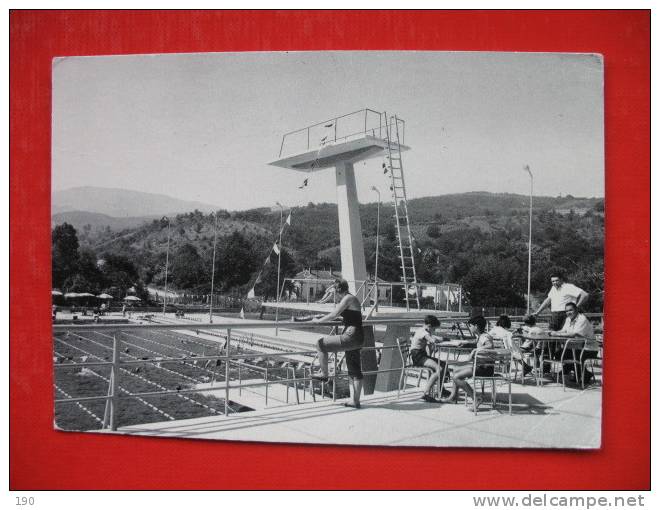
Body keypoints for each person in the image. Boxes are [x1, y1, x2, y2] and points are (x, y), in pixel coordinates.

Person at [311, 279, 365, 409]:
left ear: (338, 290)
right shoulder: (352, 298)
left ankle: (324, 374)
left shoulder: (347, 298)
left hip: (351, 335)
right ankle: (355, 401)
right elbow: (350, 316)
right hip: (358, 337)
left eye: (335, 292)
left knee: (320, 344)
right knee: (355, 370)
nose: (335, 294)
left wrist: (318, 321)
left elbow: (334, 314)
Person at [442, 315, 494, 405]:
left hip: (484, 368)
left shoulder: (485, 336)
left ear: (476, 326)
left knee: (456, 377)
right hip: (481, 366)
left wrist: (475, 351)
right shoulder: (481, 336)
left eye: (470, 326)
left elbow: (490, 346)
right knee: (456, 370)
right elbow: (476, 343)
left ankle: (475, 398)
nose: (469, 328)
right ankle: (453, 397)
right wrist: (465, 343)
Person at [549, 302, 598, 385]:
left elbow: (574, 334)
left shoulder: (582, 319)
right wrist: (555, 332)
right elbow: (564, 330)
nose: (568, 312)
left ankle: (583, 374)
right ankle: (583, 373)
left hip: (588, 348)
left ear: (576, 309)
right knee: (558, 354)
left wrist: (557, 334)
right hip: (575, 347)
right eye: (566, 311)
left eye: (571, 310)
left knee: (569, 355)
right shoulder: (568, 319)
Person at [410, 315, 450, 403]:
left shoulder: (424, 331)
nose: (434, 331)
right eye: (434, 329)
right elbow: (432, 340)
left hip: (421, 355)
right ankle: (426, 393)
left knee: (443, 364)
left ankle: (440, 389)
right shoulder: (423, 332)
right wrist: (440, 340)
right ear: (429, 326)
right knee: (439, 368)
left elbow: (433, 338)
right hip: (418, 356)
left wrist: (443, 339)